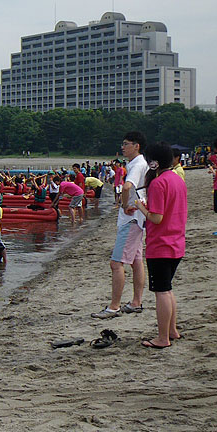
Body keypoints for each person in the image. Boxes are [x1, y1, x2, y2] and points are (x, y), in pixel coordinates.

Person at [134, 143, 187, 349]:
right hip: (176, 241)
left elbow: (156, 218)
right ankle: (172, 331)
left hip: (161, 244)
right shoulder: (176, 179)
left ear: (154, 162)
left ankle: (163, 338)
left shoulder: (158, 183)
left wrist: (141, 207)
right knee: (168, 289)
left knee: (161, 291)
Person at [92, 131, 148, 319]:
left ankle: (114, 306)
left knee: (116, 263)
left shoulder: (137, 164)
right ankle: (136, 302)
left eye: (126, 144)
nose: (122, 147)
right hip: (138, 218)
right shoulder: (139, 163)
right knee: (136, 260)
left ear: (136, 146)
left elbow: (127, 186)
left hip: (131, 219)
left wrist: (124, 205)